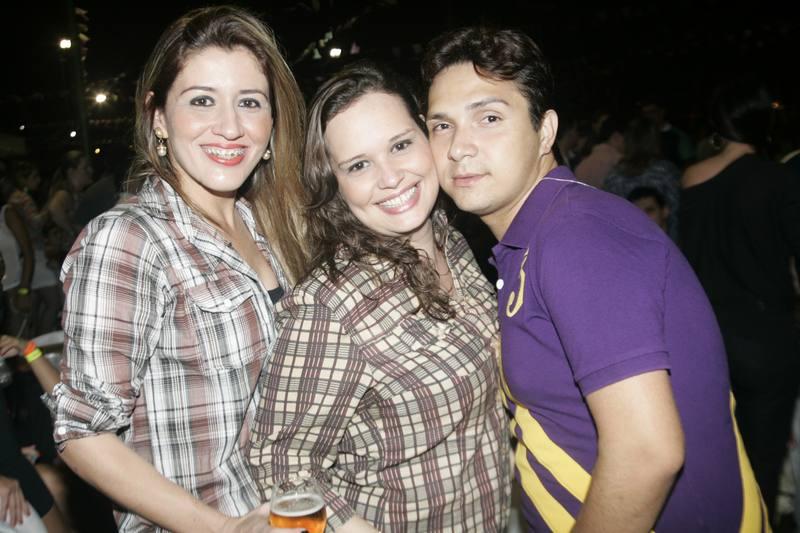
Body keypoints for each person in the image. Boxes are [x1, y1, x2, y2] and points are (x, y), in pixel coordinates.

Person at [422, 26, 766, 531]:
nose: (458, 148)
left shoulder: (576, 236)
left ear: (545, 132)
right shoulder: (537, 237)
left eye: (489, 117)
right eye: (441, 125)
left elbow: (647, 453)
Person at [49, 6, 308, 532]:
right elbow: (83, 433)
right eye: (202, 100)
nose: (230, 126)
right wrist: (222, 528)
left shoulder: (271, 226)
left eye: (250, 102)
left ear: (272, 121)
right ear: (159, 118)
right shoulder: (130, 240)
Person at [248, 61, 510, 532]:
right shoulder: (329, 308)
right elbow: (280, 463)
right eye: (359, 165)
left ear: (428, 137)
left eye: (400, 145)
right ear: (335, 184)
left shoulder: (451, 240)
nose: (390, 177)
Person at [680, 80, 800, 520]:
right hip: (768, 340)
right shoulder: (778, 180)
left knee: (715, 460)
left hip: (707, 341)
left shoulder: (691, 179)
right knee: (763, 460)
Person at [603, 117, 681, 239]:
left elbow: (610, 219)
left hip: (627, 244)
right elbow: (676, 215)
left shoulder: (613, 177)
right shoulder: (666, 172)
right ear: (656, 141)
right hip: (664, 243)